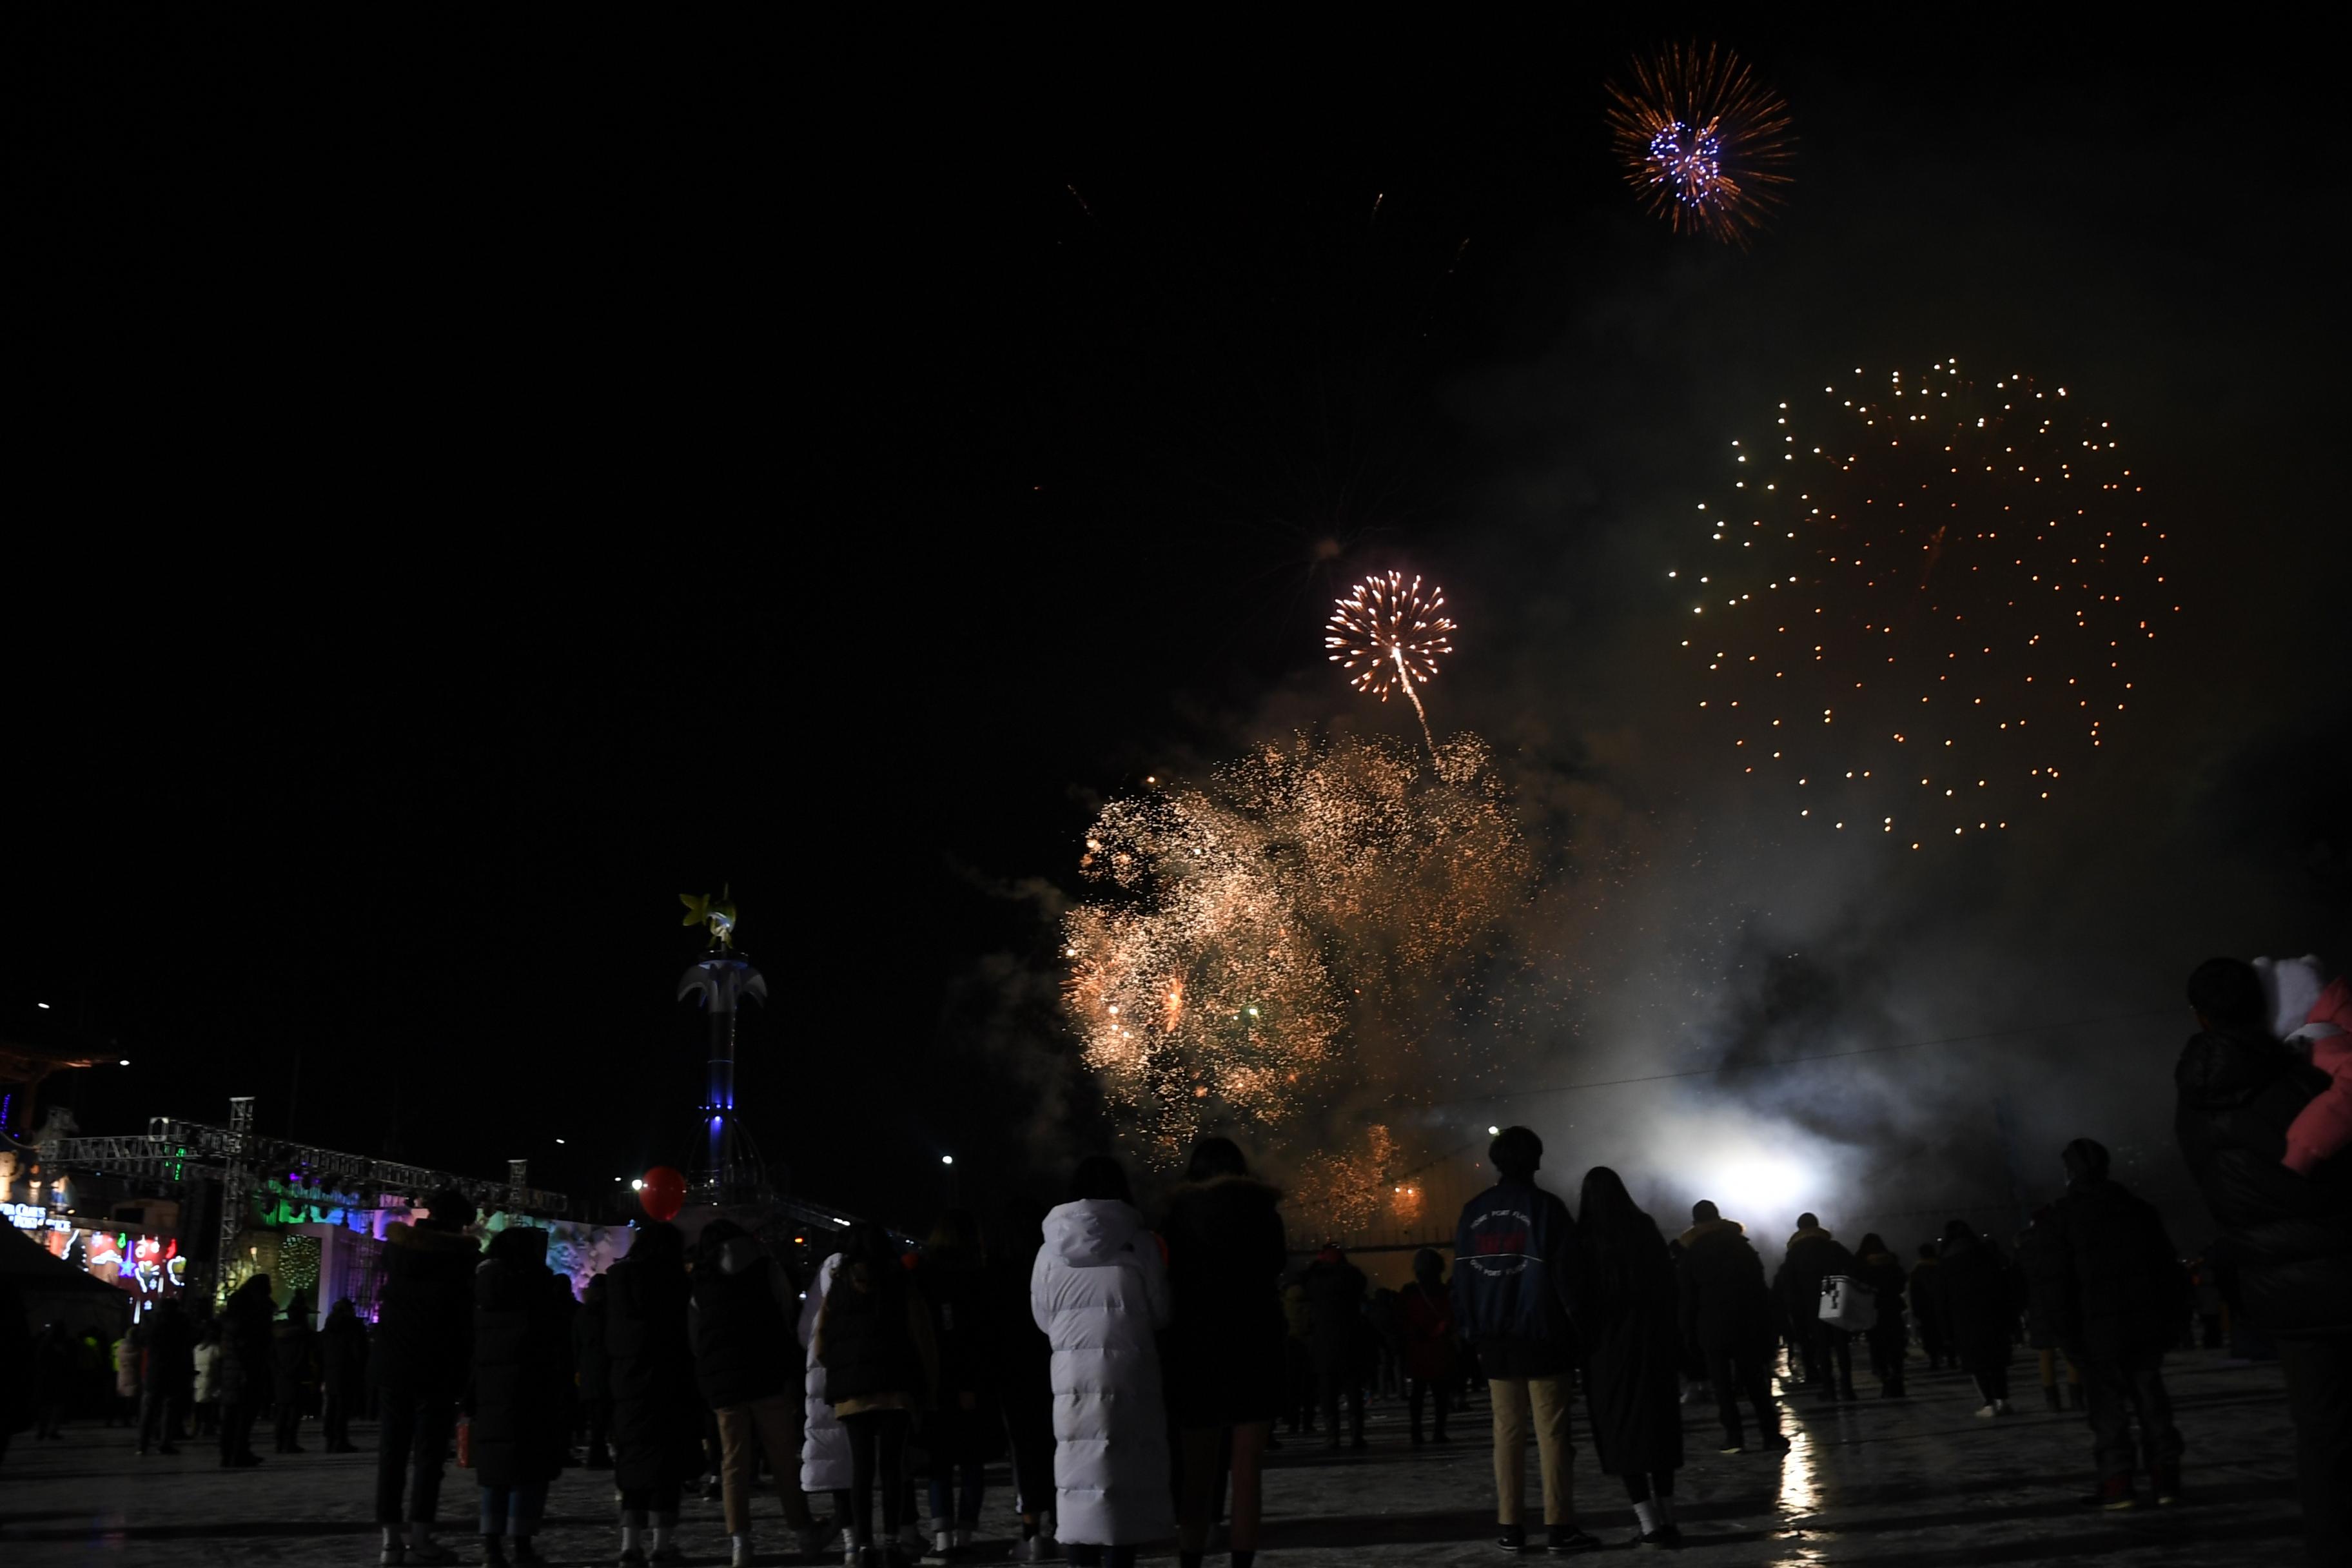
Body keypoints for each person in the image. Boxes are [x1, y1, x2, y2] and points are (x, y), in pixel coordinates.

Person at [2176, 956, 2352, 1563]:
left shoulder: (2191, 1108)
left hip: (2281, 1292)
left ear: (2199, 1016)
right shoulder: (2297, 1080)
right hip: (2343, 1266)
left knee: (2321, 1436)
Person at [1453, 1126, 1600, 1556]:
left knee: (1507, 1433)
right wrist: (1582, 1330)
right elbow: (1569, 1279)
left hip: (1494, 1340)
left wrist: (1470, 1330)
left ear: (1496, 1163)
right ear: (1536, 1160)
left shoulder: (1472, 1211)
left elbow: (1461, 1280)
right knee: (1553, 1434)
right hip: (1544, 1336)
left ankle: (1510, 1527)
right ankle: (1559, 1526)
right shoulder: (1547, 1208)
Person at [1031, 1155, 1173, 1568]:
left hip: (1071, 1377)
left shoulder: (1048, 1253)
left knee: (1078, 1477)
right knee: (1122, 1481)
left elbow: (1043, 1320)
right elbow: (1161, 1312)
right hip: (1130, 1373)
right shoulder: (1140, 1243)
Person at [2035, 1137, 2190, 1509]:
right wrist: (2174, 1323)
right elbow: (2169, 1272)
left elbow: (2056, 1286)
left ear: (2069, 1172)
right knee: (2152, 1403)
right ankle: (2165, 1479)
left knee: (2107, 1413)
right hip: (2145, 1327)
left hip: (2095, 1334)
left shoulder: (2061, 1218)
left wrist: (2068, 1336)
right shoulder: (2139, 1211)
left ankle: (2118, 1483)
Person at [1159, 1136, 1286, 1568]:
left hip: (1196, 1346)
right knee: (1248, 1466)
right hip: (1255, 1343)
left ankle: (1190, 1556)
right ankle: (1242, 1561)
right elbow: (1276, 1268)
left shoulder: (1177, 1217)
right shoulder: (1264, 1214)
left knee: (1197, 1465)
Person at [691, 1218, 823, 1568]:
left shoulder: (700, 1279)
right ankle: (804, 1534)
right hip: (768, 1374)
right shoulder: (767, 1268)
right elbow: (785, 1316)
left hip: (724, 1385)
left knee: (734, 1463)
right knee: (782, 1459)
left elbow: (695, 1334)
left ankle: (741, 1544)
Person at [1572, 1168, 1685, 1549]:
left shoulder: (1584, 1239)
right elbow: (1669, 1287)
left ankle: (1649, 1523)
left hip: (1607, 1353)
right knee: (1659, 1427)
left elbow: (1578, 1302)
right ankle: (1669, 1517)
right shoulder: (1644, 1228)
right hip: (1653, 1344)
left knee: (1624, 1434)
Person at [371, 1190, 481, 1566]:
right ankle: (421, 1537)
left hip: (394, 1364)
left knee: (392, 1453)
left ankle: (390, 1542)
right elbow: (466, 1324)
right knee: (430, 1456)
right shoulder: (464, 1261)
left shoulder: (397, 1252)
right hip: (438, 1367)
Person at [819, 1220, 937, 1567]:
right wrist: (927, 1387)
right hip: (895, 1389)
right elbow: (922, 1338)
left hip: (853, 1393)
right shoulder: (900, 1282)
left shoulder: (839, 1287)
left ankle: (864, 1544)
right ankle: (892, 1542)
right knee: (892, 1469)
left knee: (861, 1469)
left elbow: (821, 1343)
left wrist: (845, 1369)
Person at [469, 1225, 571, 1565]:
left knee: (495, 1473)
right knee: (528, 1471)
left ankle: (491, 1545)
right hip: (533, 1390)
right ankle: (522, 1543)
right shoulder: (537, 1290)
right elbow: (555, 1343)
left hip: (490, 1394)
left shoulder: (483, 1291)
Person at [607, 1219, 705, 1565]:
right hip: (670, 1380)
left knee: (631, 1461)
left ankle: (629, 1544)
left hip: (627, 1380)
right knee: (667, 1464)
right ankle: (662, 1546)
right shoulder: (677, 1281)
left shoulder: (618, 1279)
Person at [914, 1208, 1005, 1559]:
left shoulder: (925, 1274)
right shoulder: (977, 1276)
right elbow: (980, 1336)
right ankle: (965, 1536)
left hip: (935, 1382)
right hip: (972, 1383)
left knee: (939, 1463)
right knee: (971, 1462)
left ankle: (943, 1540)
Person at [1677, 1200, 1781, 1453]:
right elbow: (1759, 1289)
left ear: (1695, 1223)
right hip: (1746, 1323)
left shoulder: (1692, 1253)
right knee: (1755, 1382)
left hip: (1711, 1326)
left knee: (1722, 1386)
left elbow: (1687, 1298)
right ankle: (1770, 1434)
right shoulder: (1741, 1246)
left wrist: (1688, 1333)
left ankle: (1734, 1438)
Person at [990, 1200, 1057, 1562]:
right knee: (1057, 1445)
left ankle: (1031, 1533)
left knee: (1025, 1452)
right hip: (1049, 1363)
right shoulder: (1048, 1263)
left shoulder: (997, 1271)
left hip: (1011, 1371)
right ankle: (1061, 1524)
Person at [799, 1248, 856, 1556]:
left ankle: (849, 1543)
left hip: (825, 1396)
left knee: (839, 1473)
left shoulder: (822, 1312)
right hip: (864, 1392)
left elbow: (801, 1332)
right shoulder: (869, 1299)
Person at [1936, 1220, 2015, 1415]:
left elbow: (1942, 1301)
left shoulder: (1947, 1263)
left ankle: (1989, 1403)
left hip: (1964, 1320)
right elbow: (2005, 1286)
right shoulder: (1987, 1255)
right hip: (1993, 1315)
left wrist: (1946, 1332)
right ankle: (2002, 1400)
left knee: (1977, 1363)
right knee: (1997, 1361)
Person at [1775, 1213, 1857, 1400]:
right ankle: (1847, 1387)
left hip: (1810, 1302)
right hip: (1834, 1295)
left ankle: (1829, 1388)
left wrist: (1795, 1311)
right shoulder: (1832, 1247)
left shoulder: (1794, 1252)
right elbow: (1853, 1268)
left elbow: (1788, 1283)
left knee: (1821, 1347)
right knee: (1841, 1345)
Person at [1299, 1244, 1368, 1451]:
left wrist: (1315, 1266)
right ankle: (1357, 1435)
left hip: (1324, 1344)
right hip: (1351, 1341)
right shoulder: (1352, 1278)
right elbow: (1362, 1282)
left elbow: (1302, 1283)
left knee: (1327, 1394)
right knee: (1353, 1392)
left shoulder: (1315, 1281)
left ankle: (1333, 1436)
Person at [2014, 1209, 2084, 1412]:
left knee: (2046, 1353)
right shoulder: (2061, 1242)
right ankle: (2077, 1397)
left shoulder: (2024, 1249)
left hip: (2039, 1306)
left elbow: (2020, 1283)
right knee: (2071, 1352)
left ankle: (2052, 1400)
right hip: (2064, 1302)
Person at [217, 1272, 274, 1468]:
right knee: (244, 1414)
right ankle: (239, 1452)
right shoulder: (253, 1318)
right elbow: (252, 1345)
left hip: (232, 1371)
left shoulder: (230, 1322)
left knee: (232, 1415)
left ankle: (228, 1453)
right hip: (247, 1370)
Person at [1401, 1248, 1456, 1446]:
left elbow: (1403, 1319)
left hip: (1418, 1349)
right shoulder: (1446, 1292)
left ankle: (1416, 1431)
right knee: (1440, 1394)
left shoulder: (1410, 1292)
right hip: (1440, 1347)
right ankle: (1439, 1431)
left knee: (1418, 1394)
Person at [1850, 1234, 1909, 1398]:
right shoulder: (1891, 1262)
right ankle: (1898, 1378)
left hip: (1872, 1310)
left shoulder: (1861, 1264)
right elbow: (1901, 1283)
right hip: (1892, 1309)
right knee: (1895, 1345)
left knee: (1877, 1345)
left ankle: (1885, 1379)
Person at [137, 1297, 194, 1456]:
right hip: (174, 1369)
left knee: (149, 1409)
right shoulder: (181, 1322)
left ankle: (143, 1444)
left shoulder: (151, 1322)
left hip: (154, 1369)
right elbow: (188, 1345)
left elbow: (142, 1340)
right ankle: (165, 1442)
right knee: (170, 1408)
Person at [320, 1298, 369, 1453]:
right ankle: (341, 1440)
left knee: (332, 1406)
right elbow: (358, 1351)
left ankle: (330, 1439)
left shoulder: (328, 1328)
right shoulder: (353, 1327)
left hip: (331, 1370)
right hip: (347, 1370)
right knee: (343, 1408)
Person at [271, 1289, 317, 1453]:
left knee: (282, 1410)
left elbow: (273, 1356)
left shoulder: (278, 1334)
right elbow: (305, 1355)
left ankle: (280, 1442)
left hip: (281, 1376)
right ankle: (289, 1442)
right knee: (293, 1412)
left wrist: (279, 1370)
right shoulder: (304, 1335)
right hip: (297, 1375)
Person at [575, 1273, 613, 1469]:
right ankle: (599, 1455)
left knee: (595, 1415)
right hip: (604, 1368)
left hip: (588, 1368)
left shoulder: (583, 1313)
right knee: (603, 1416)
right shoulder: (609, 1311)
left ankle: (597, 1453)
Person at [1910, 1241, 1950, 1370]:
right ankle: (1951, 1357)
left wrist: (1916, 1308)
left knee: (1929, 1333)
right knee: (1946, 1331)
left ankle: (1934, 1359)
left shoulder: (1917, 1270)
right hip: (1943, 1304)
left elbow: (1914, 1291)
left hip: (1925, 1307)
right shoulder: (1942, 1266)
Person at [35, 1320, 75, 1440]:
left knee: (46, 1406)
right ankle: (52, 1430)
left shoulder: (44, 1343)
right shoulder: (63, 1344)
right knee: (57, 1406)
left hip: (46, 1378)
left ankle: (43, 1430)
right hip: (58, 1378)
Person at [190, 1320, 222, 1439]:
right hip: (211, 1379)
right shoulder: (215, 1349)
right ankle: (207, 1428)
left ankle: (196, 1428)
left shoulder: (197, 1349)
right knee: (209, 1407)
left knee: (198, 1406)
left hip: (198, 1380)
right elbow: (219, 1364)